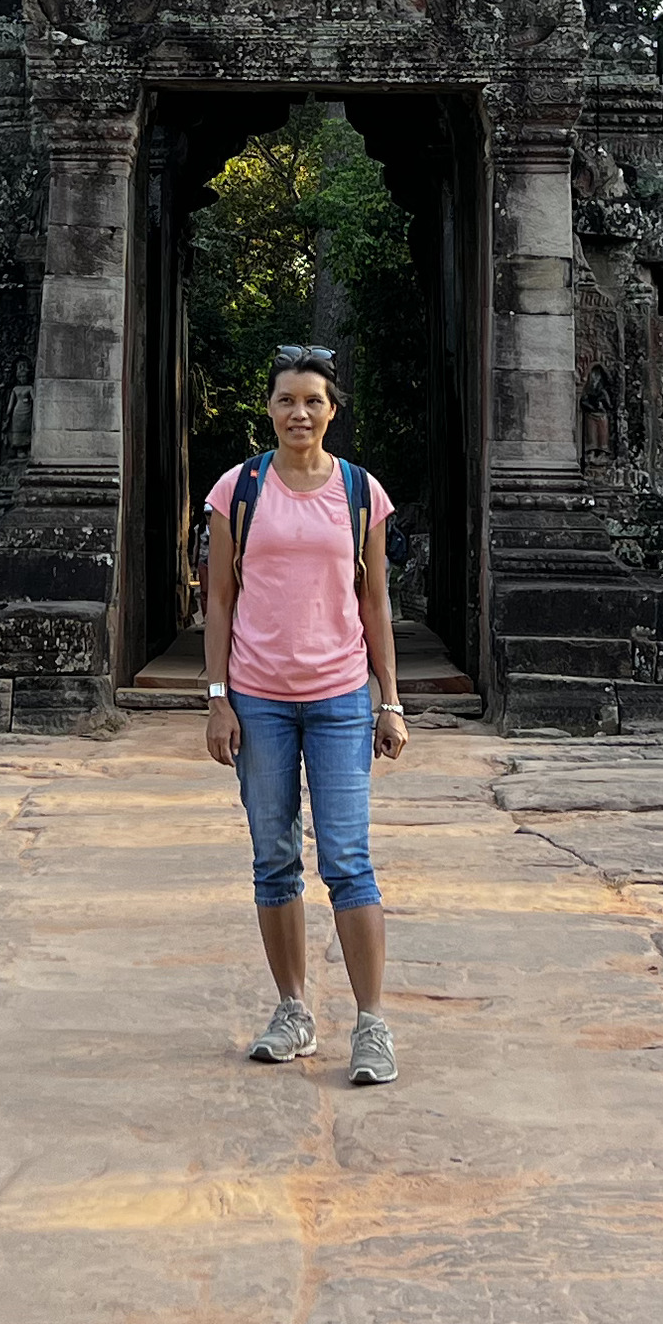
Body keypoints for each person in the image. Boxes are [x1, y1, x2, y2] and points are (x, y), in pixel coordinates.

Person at [201, 342, 408, 1085]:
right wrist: (218, 698)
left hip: (340, 695)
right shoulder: (239, 489)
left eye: (313, 401)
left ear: (332, 411)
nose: (300, 412)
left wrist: (390, 700)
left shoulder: (359, 492)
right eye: (287, 400)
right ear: (269, 408)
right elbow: (218, 597)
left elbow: (375, 599)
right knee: (274, 859)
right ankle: (292, 1010)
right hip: (257, 695)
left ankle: (371, 1023)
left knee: (349, 862)